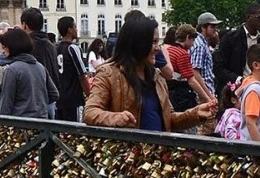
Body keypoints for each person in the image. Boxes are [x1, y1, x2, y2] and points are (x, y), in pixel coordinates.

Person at [84, 15, 216, 130]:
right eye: (153, 42)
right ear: (138, 43)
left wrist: (195, 114)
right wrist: (115, 118)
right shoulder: (108, 74)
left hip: (155, 156)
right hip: (128, 156)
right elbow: (90, 112)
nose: (157, 48)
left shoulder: (157, 77)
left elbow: (168, 119)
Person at [0, 28, 58, 119]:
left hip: (21, 123)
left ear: (12, 47)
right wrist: (39, 103)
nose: (2, 51)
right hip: (42, 121)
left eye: (4, 47)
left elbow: (6, 104)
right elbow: (54, 94)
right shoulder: (40, 67)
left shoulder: (12, 70)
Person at [214, 4, 260, 105]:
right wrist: (239, 79)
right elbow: (218, 68)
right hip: (233, 93)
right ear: (248, 17)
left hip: (257, 89)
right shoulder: (230, 38)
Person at [164, 23, 215, 112]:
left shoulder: (169, 50)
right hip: (179, 97)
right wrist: (208, 99)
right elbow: (192, 81)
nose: (193, 44)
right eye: (193, 40)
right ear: (188, 37)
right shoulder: (182, 54)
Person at [54, 17, 88, 122]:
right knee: (76, 133)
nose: (77, 30)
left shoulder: (56, 49)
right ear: (70, 30)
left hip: (60, 99)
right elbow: (82, 75)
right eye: (75, 27)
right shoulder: (73, 48)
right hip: (74, 99)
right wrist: (90, 95)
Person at [191, 13, 219, 89]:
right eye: (212, 26)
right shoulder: (200, 45)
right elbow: (195, 72)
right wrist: (207, 95)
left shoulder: (201, 42)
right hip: (204, 92)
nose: (215, 29)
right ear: (203, 27)